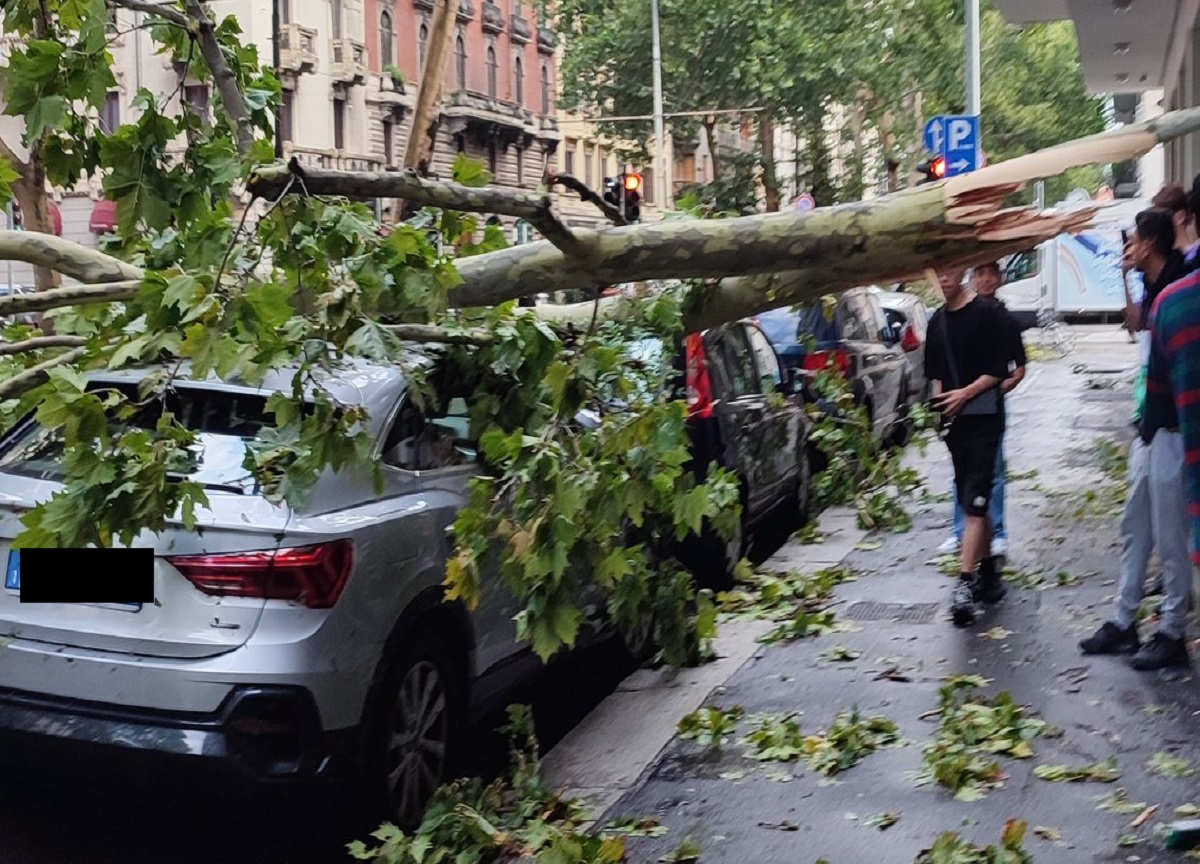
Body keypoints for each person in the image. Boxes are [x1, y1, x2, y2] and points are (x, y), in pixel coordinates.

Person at [1080, 207, 1192, 670]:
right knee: (1135, 525)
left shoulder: (1180, 285)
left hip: (1172, 427)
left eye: (1134, 242)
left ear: (1150, 243)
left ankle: (1172, 631)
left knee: (1172, 536)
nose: (1129, 248)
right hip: (1149, 421)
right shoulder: (1152, 283)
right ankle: (1125, 621)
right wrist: (1127, 278)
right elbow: (1134, 325)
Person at [925, 268, 1012, 627]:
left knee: (976, 498)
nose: (943, 280)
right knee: (970, 498)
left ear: (962, 272)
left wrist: (965, 393)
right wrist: (940, 413)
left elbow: (999, 371)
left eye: (948, 272)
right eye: (937, 274)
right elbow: (935, 375)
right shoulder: (936, 322)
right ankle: (989, 566)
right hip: (955, 425)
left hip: (985, 419)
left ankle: (965, 583)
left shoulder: (988, 315)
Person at [937, 261, 1027, 559]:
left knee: (993, 471)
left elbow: (1015, 369)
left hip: (988, 409)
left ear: (1000, 279)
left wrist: (990, 392)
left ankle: (997, 532)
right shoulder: (946, 318)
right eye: (980, 273)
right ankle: (961, 531)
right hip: (958, 411)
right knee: (962, 475)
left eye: (991, 274)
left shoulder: (1003, 320)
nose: (986, 280)